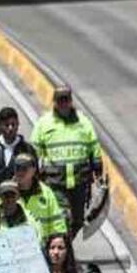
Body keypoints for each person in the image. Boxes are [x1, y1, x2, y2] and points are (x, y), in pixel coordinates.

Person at [31, 85, 102, 235]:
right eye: (60, 100)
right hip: (55, 182)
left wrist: (98, 170)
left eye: (66, 100)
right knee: (63, 218)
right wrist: (33, 175)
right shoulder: (44, 123)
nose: (63, 104)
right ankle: (61, 253)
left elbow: (93, 147)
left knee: (77, 221)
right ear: (54, 102)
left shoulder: (83, 122)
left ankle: (63, 247)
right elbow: (33, 151)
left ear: (71, 101)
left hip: (80, 181)